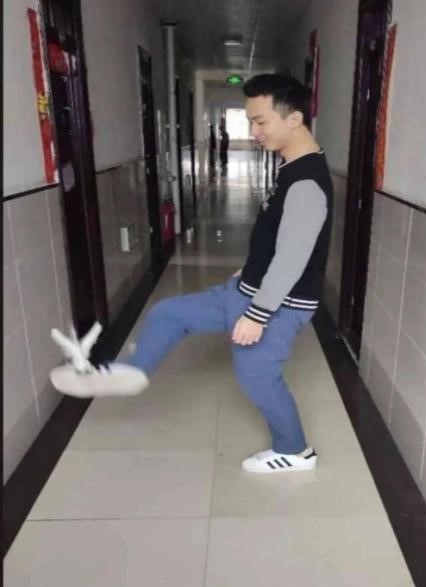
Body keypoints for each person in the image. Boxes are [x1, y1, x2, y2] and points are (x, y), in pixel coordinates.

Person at [50, 73, 333, 474]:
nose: (253, 131)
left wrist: (258, 314)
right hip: (247, 288)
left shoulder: (306, 182)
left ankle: (295, 451)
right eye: (250, 121)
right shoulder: (292, 167)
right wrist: (251, 268)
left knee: (257, 377)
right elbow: (280, 238)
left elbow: (293, 257)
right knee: (169, 313)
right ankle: (129, 373)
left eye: (260, 121)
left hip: (278, 304)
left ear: (294, 118)